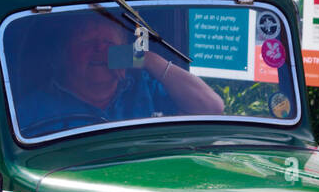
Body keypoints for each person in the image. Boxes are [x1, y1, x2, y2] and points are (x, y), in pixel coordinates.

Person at [20, 12, 224, 134]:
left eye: (110, 42)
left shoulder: (147, 88)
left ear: (125, 52)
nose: (100, 48)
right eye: (87, 42)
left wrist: (149, 60)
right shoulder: (34, 109)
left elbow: (212, 107)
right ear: (62, 54)